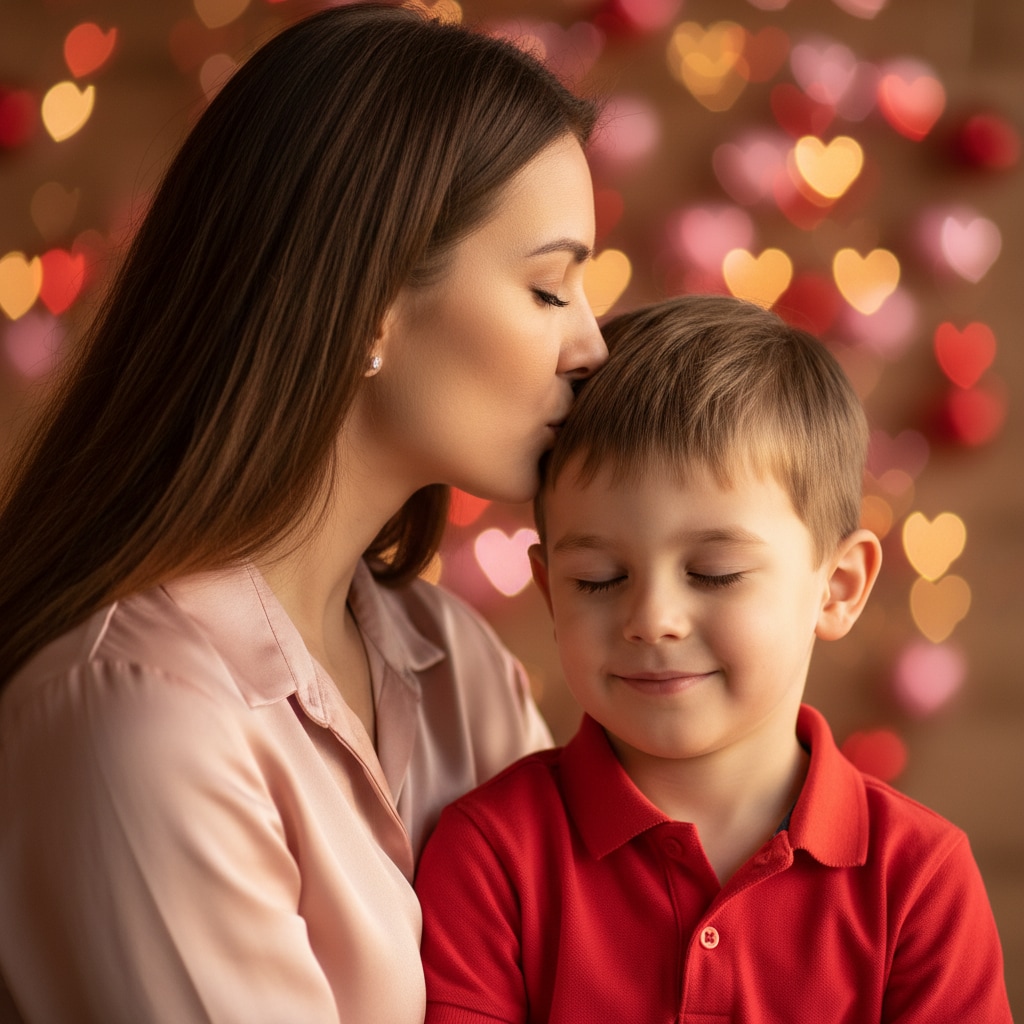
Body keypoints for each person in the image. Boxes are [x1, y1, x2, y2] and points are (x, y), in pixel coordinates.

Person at [0, 5, 608, 1022]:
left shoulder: (457, 662)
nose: (592, 344)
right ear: (369, 302)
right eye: (550, 288)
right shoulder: (137, 717)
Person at [415, 294, 1013, 1023]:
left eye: (715, 573)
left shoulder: (918, 878)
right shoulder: (490, 856)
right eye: (598, 580)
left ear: (838, 588)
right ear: (548, 590)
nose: (652, 620)